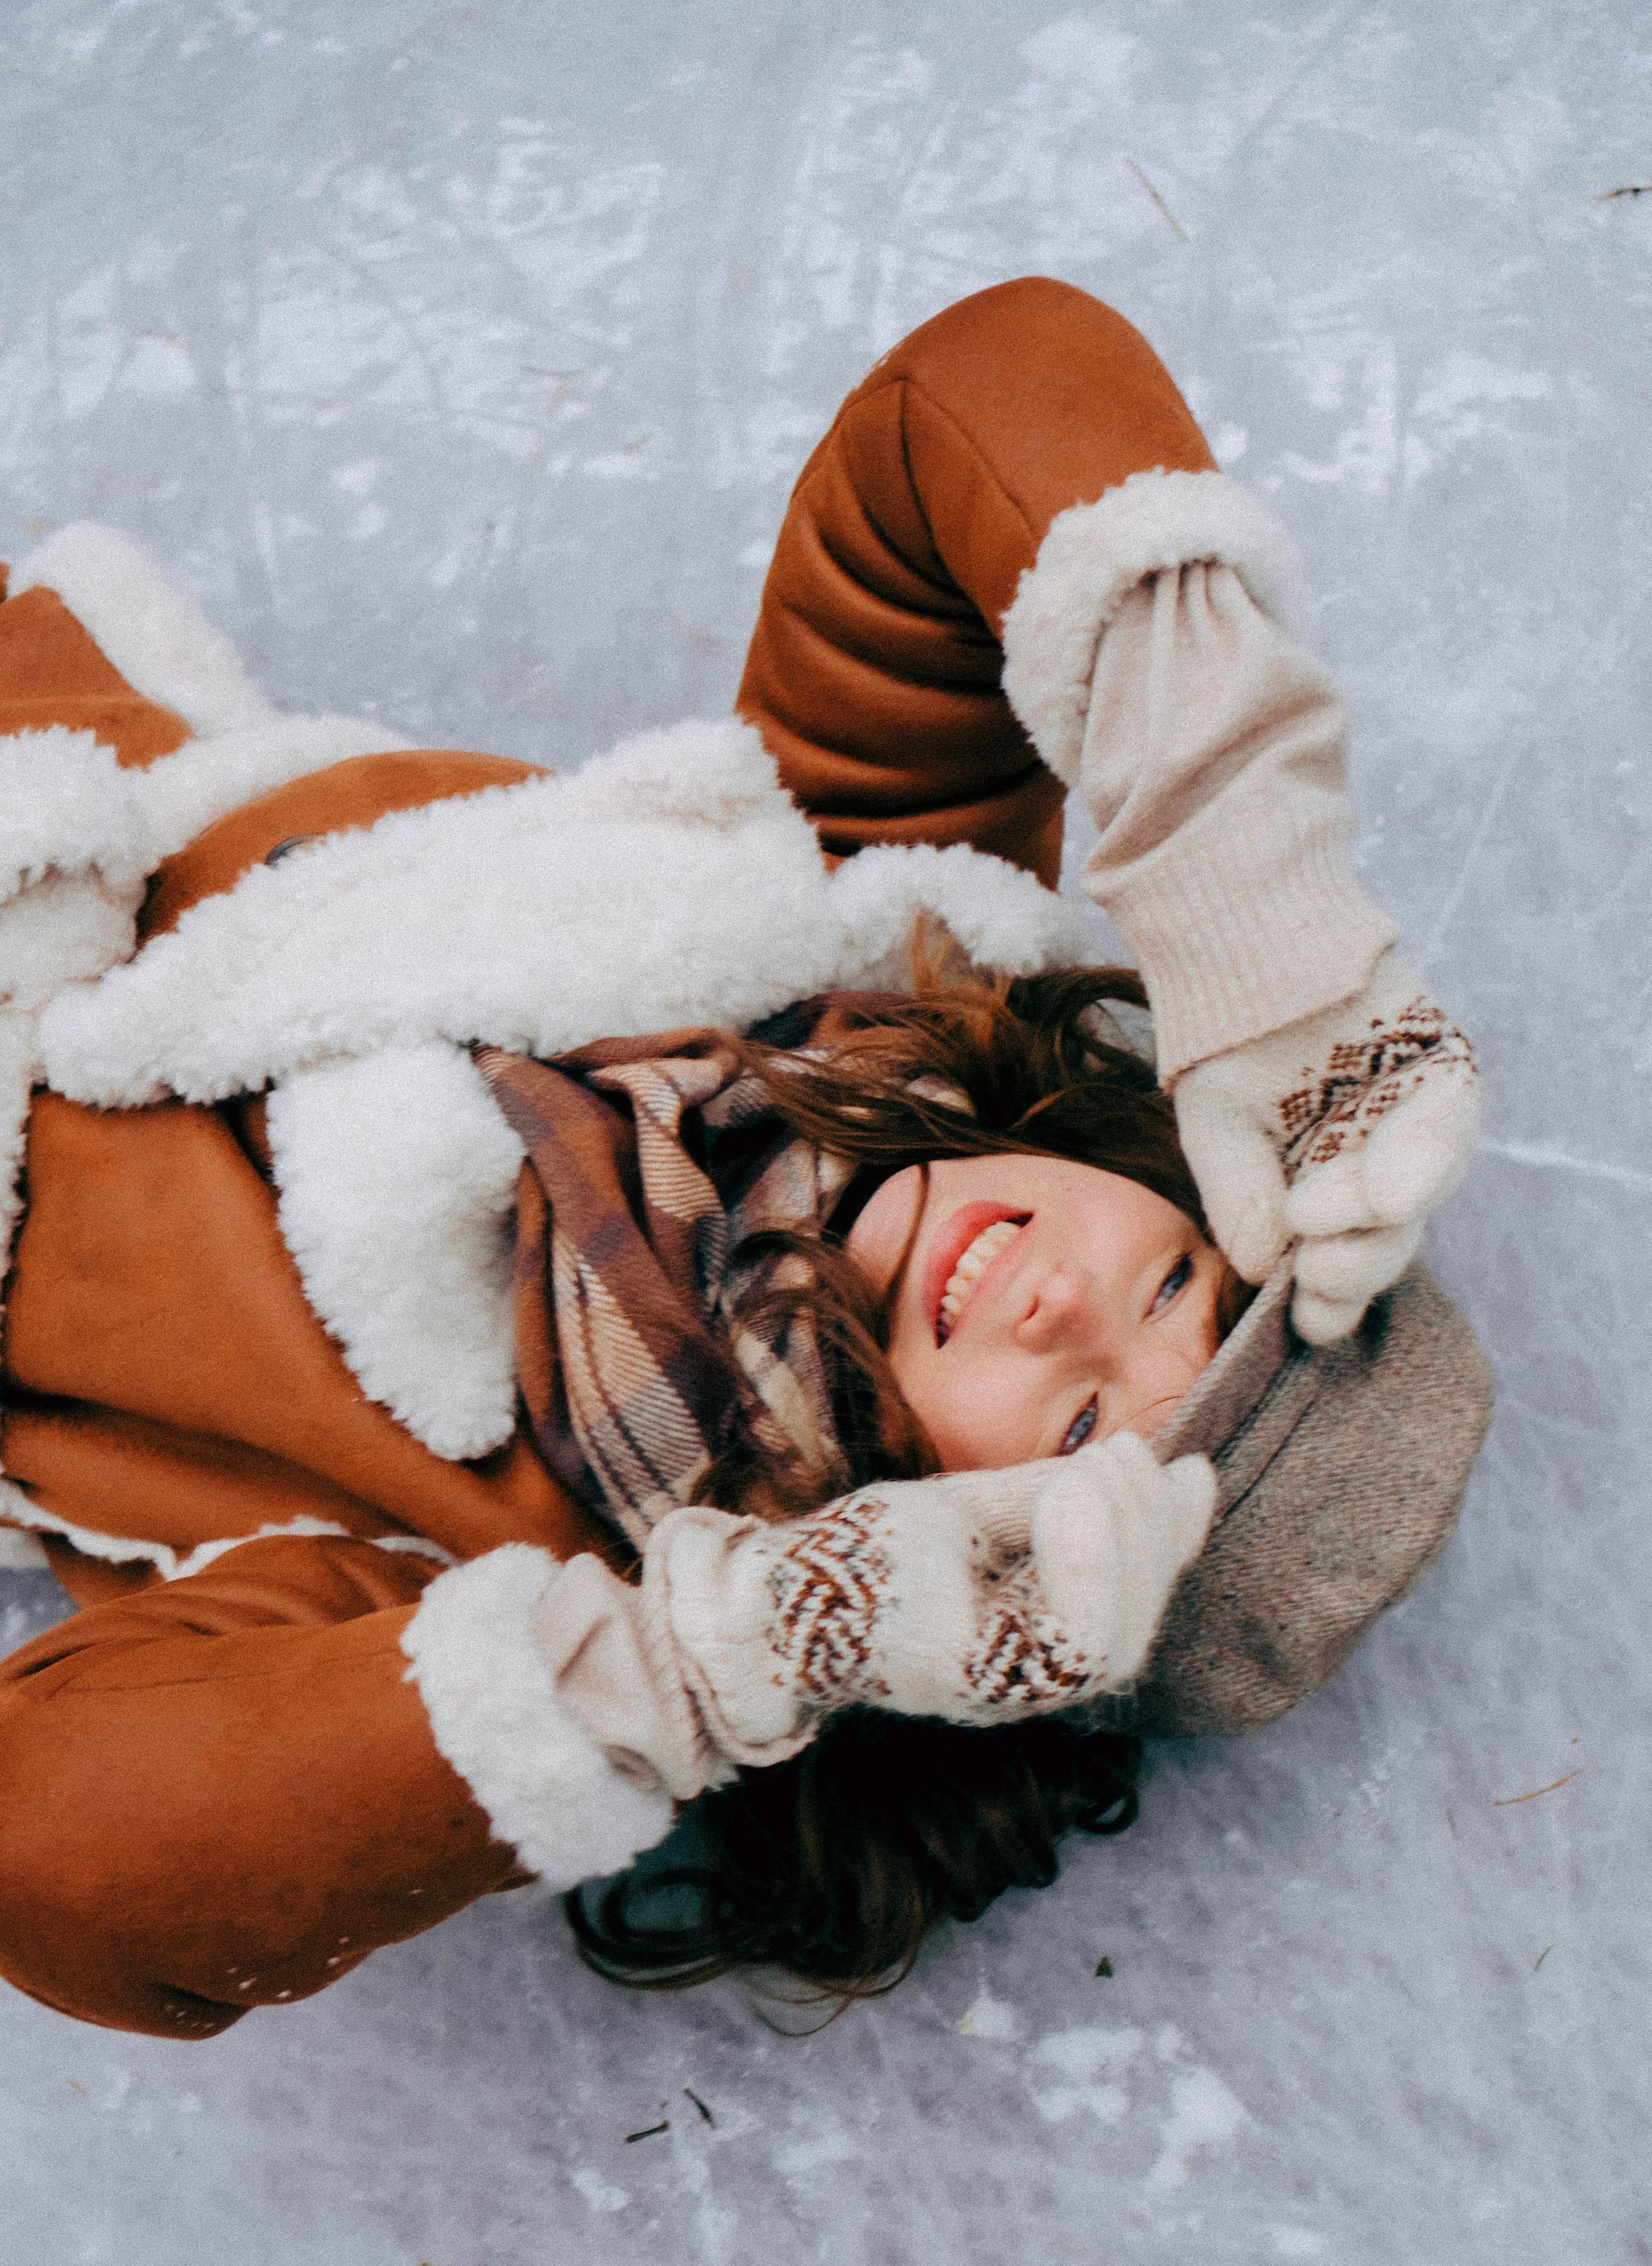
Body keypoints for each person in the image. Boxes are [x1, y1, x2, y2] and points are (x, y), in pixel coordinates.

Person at [0, 279, 1490, 2039]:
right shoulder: (873, 931)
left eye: (1092, 1426)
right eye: (1180, 1272)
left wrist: (720, 1661)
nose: (1072, 1302)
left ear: (989, 1559)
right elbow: (978, 392)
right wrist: (1249, 886)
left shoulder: (515, 1569)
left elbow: (65, 1871)